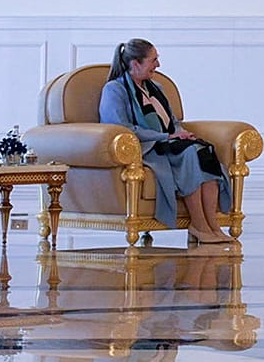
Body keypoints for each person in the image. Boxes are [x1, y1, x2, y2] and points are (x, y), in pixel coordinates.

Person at [99, 39, 234, 244]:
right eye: (153, 60)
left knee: (203, 150)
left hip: (170, 141)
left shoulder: (156, 87)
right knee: (191, 154)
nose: (158, 65)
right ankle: (198, 224)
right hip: (149, 147)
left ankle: (212, 226)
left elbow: (173, 121)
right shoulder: (115, 90)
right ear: (135, 64)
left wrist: (181, 133)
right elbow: (123, 129)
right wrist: (167, 137)